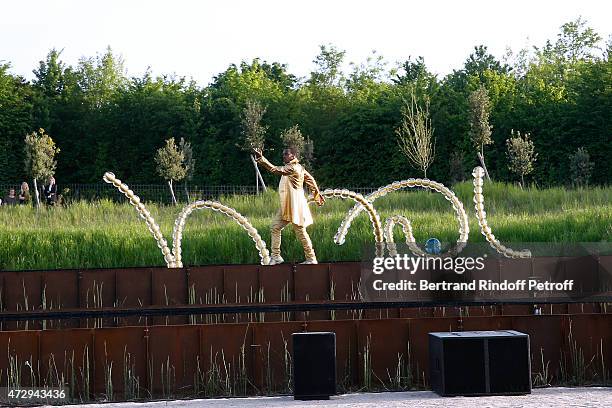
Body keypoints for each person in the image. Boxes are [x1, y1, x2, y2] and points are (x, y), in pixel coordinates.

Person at [252, 146, 325, 265]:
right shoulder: (299, 168)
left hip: (295, 207)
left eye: (286, 154)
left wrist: (261, 159)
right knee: (275, 227)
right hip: (287, 206)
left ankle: (311, 258)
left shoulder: (293, 168)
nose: (283, 156)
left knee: (300, 231)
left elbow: (274, 170)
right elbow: (310, 179)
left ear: (293, 156)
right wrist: (317, 194)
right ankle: (276, 256)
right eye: (283, 154)